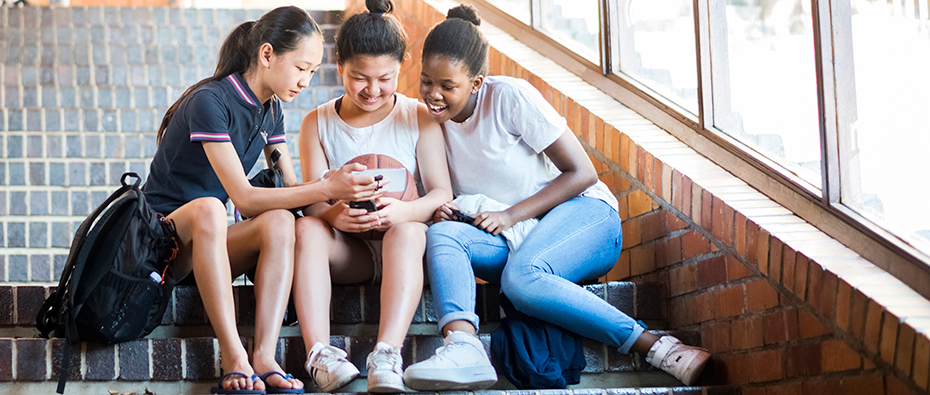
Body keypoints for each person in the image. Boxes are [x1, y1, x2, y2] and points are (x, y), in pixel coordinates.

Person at [401, 4, 710, 391]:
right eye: (427, 81)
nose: (434, 95)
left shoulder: (510, 97)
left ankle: (657, 347)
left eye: (448, 86)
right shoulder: (428, 126)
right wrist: (445, 211)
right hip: (515, 238)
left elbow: (582, 173)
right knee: (442, 237)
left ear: (477, 82)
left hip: (584, 217)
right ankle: (464, 348)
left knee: (521, 278)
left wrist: (511, 214)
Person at [143, 6, 381, 394]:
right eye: (301, 68)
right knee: (210, 208)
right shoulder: (211, 101)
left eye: (311, 71)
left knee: (280, 221)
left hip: (207, 245)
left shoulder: (272, 110)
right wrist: (327, 187)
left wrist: (345, 203)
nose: (306, 81)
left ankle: (264, 357)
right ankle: (234, 355)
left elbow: (289, 190)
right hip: (161, 245)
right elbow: (246, 198)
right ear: (267, 55)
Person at [290, 0, 452, 392]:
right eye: (360, 77)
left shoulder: (418, 116)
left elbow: (442, 192)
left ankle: (386, 354)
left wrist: (405, 212)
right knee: (308, 229)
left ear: (403, 67)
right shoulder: (318, 122)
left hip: (407, 250)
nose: (373, 89)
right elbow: (312, 199)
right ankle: (320, 355)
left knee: (410, 231)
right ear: (340, 64)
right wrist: (334, 217)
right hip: (353, 253)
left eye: (386, 78)